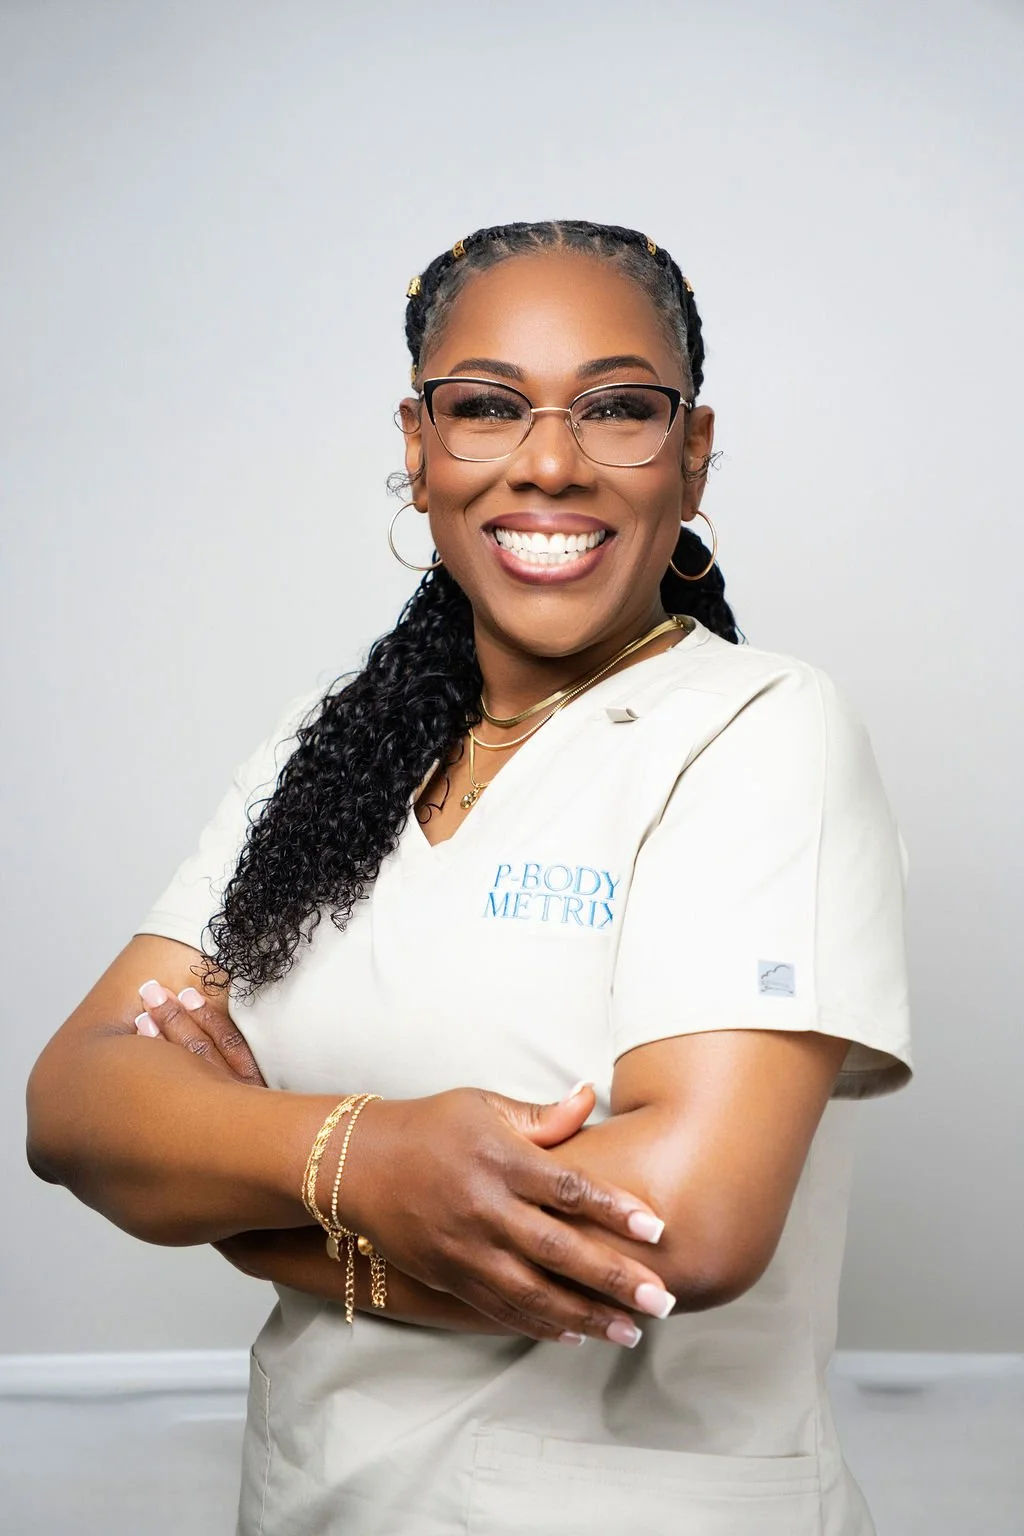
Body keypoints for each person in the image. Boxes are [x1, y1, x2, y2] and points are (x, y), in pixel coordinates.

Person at [26, 219, 913, 1536]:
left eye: (618, 409)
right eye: (486, 409)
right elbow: (76, 1102)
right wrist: (366, 1159)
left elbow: (689, 1225)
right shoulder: (324, 748)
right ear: (418, 450)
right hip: (310, 1498)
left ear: (693, 453)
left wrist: (248, 1205)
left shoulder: (760, 725)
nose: (549, 462)